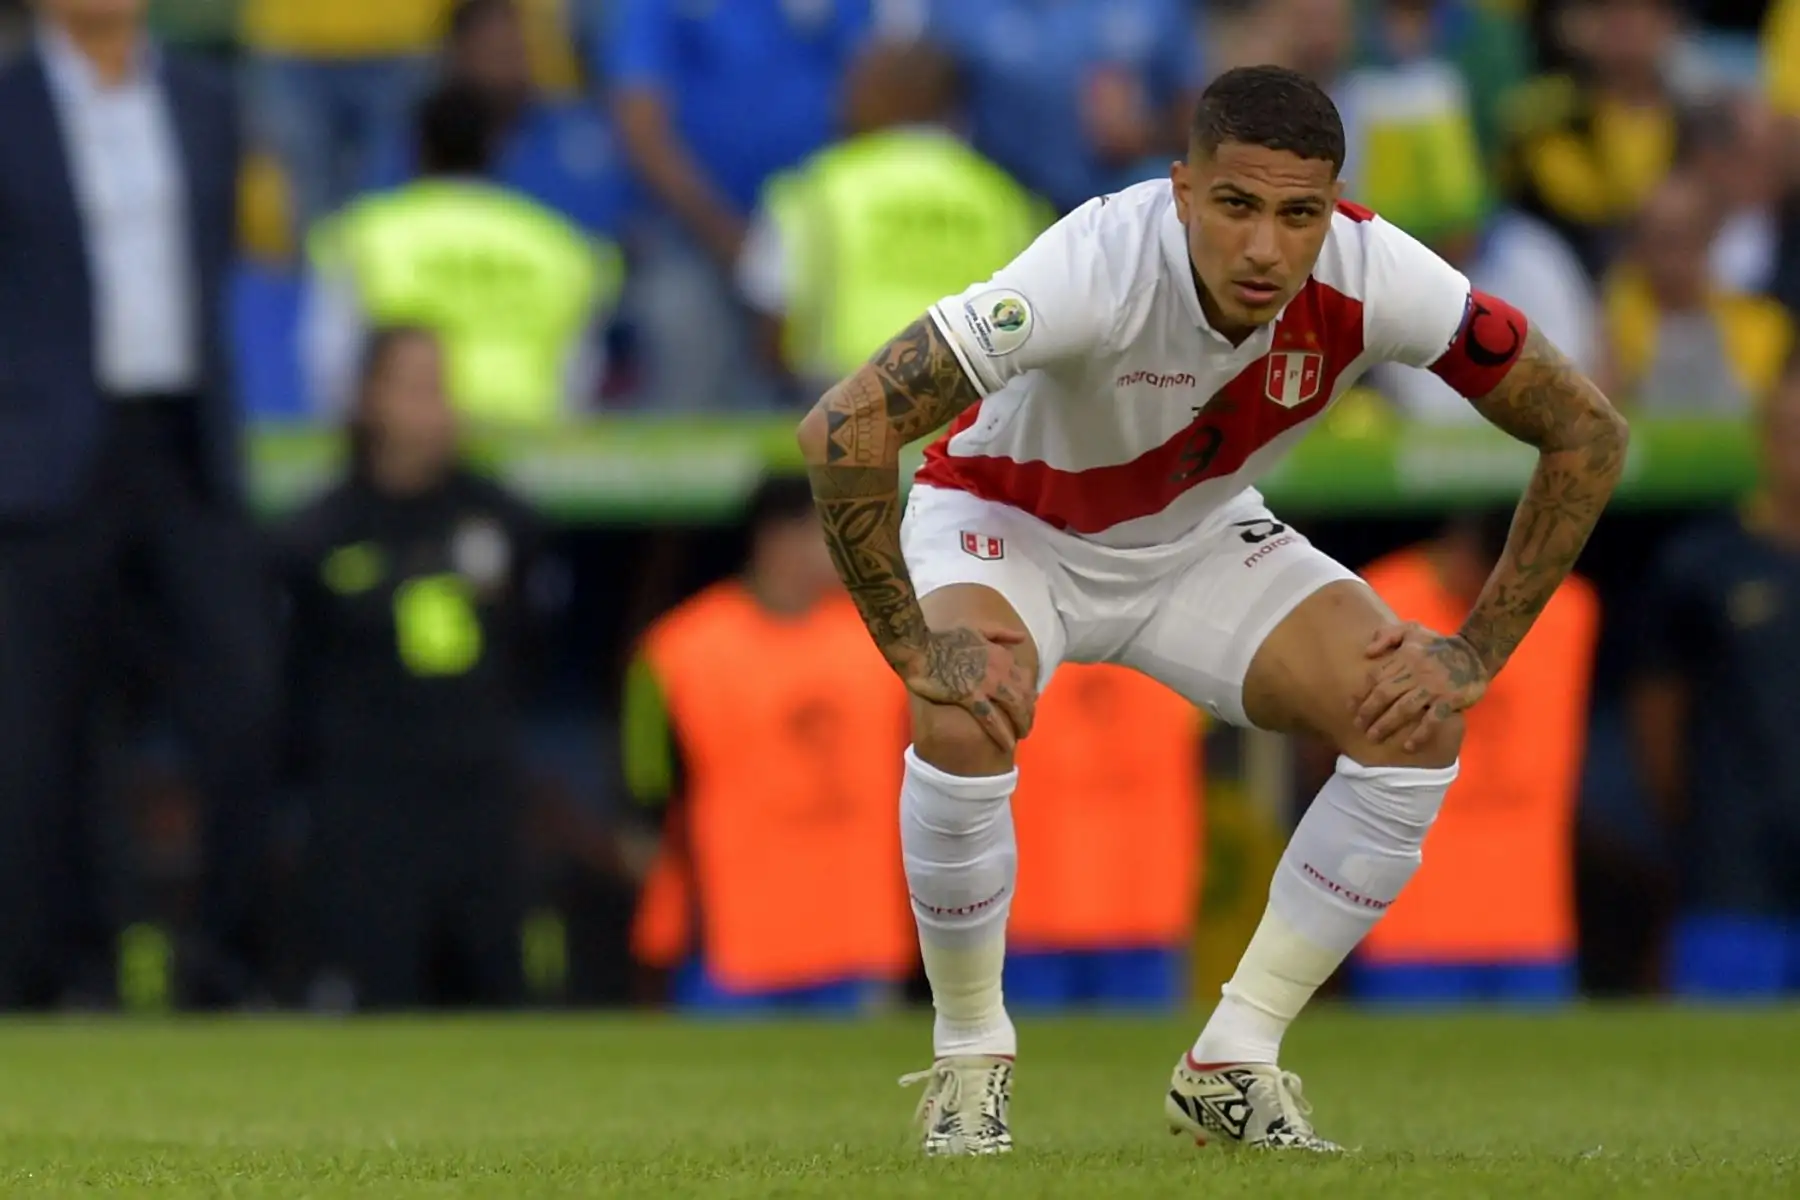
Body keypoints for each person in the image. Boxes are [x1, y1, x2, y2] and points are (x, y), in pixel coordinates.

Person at [794, 64, 1629, 1154]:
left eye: (1300, 214)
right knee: (963, 714)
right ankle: (967, 1060)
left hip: (1192, 536)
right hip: (1009, 525)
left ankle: (1234, 1060)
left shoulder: (1383, 276)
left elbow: (1588, 431)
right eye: (1237, 205)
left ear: (1333, 209)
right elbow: (844, 426)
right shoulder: (1094, 263)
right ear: (1182, 190)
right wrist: (911, 643)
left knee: (1417, 720)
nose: (1268, 247)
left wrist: (1476, 651)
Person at [0, 0, 277, 1009]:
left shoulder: (207, 99)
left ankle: (226, 962)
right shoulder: (11, 104)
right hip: (44, 455)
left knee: (241, 702)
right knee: (45, 730)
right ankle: (66, 971)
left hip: (185, 443)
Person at [276, 327, 545, 1011]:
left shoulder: (504, 520)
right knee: (376, 997)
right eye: (418, 388)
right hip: (366, 803)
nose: (439, 409)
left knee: (500, 998)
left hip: (478, 792)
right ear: (369, 399)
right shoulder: (315, 534)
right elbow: (287, 678)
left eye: (443, 388)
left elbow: (533, 646)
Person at [623, 476, 914, 1013]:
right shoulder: (678, 652)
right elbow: (642, 792)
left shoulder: (889, 644)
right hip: (729, 946)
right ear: (778, 539)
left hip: (858, 941)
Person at [1353, 512, 1600, 1004]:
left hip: (1532, 925)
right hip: (1408, 930)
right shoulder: (1378, 601)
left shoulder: (1570, 609)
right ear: (1460, 549)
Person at [736, 37, 1048, 397]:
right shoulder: (1008, 200)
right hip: (975, 417)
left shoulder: (816, 191)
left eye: (854, 83)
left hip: (844, 414)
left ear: (885, 95)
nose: (840, 98)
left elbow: (774, 327)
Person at [304, 81, 623, 422]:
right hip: (531, 444)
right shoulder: (561, 246)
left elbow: (332, 364)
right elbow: (580, 373)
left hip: (410, 441)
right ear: (494, 149)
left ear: (417, 148)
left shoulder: (364, 235)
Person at [1630, 363, 1800, 997]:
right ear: (1764, 439)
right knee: (1722, 1065)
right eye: (1789, 431)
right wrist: (1694, 824)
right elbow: (1657, 717)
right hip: (1735, 868)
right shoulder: (1701, 564)